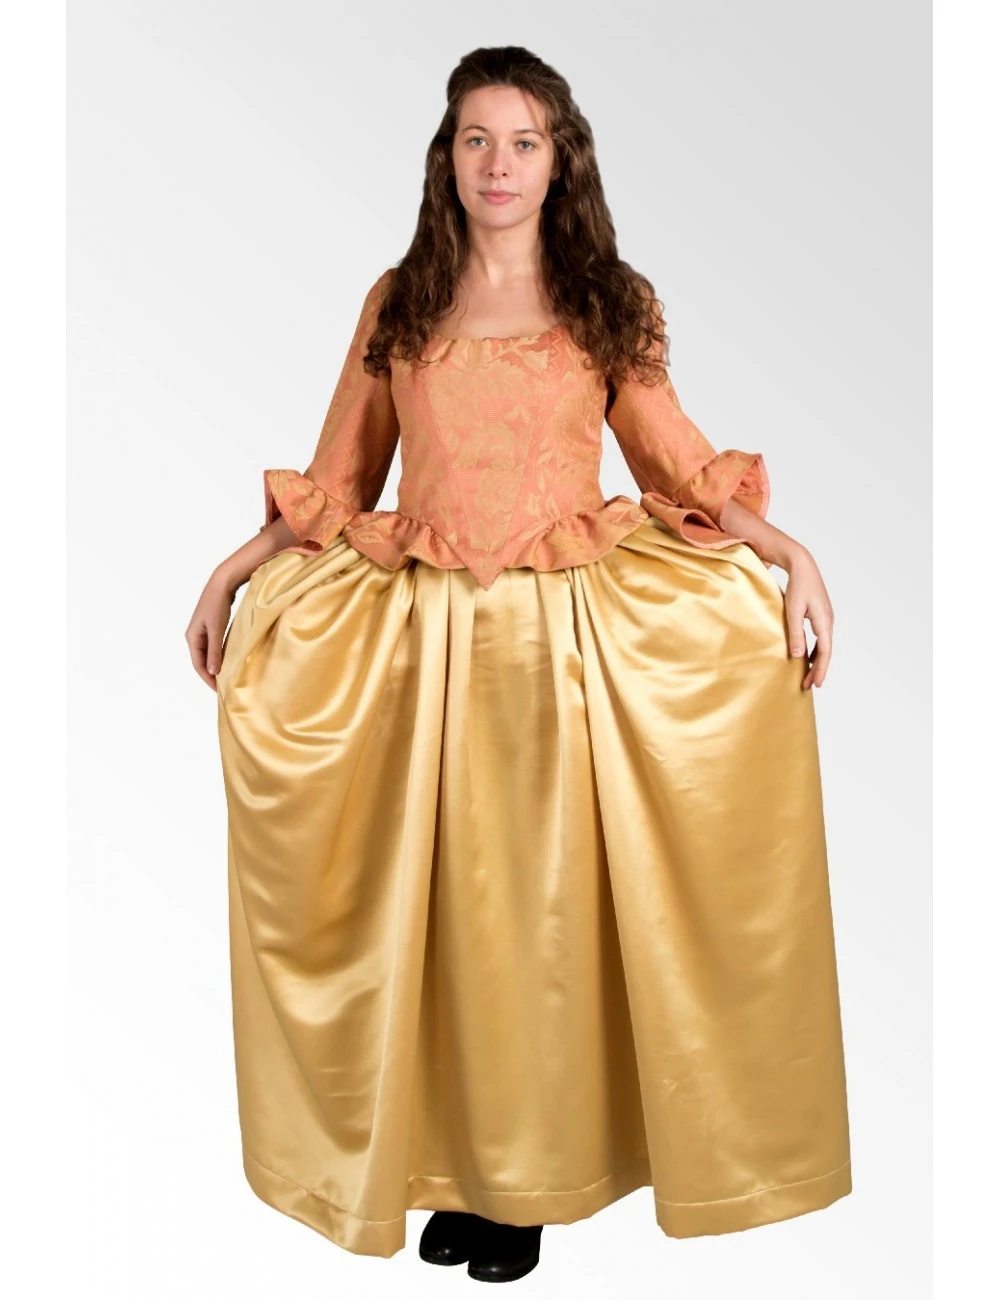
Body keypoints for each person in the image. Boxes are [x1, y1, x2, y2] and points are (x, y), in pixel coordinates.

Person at [187, 45, 851, 1286]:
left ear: (560, 162)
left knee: (535, 921)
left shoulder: (604, 299)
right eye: (477, 140)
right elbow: (342, 477)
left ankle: (521, 1188)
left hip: (561, 653)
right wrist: (234, 568)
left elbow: (673, 458)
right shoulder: (401, 300)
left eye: (524, 142)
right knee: (437, 915)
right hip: (426, 649)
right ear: (446, 158)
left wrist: (786, 550)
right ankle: (455, 1168)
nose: (499, 163)